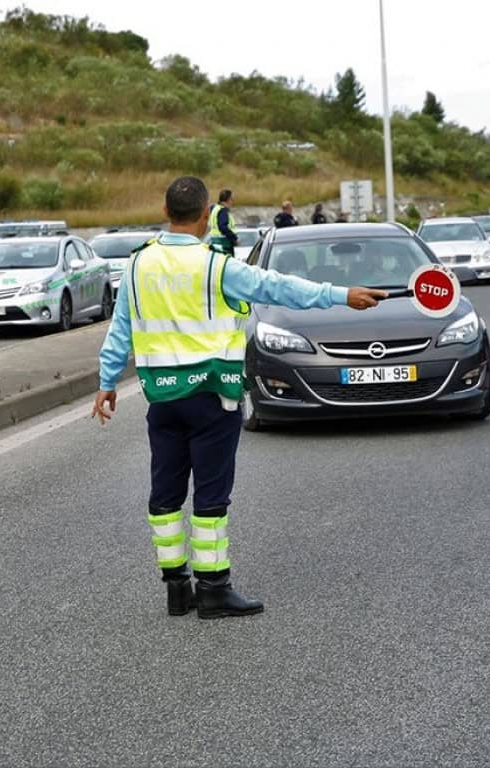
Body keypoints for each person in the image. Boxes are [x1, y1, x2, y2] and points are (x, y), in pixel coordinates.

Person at [92, 176, 386, 619]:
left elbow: (121, 330)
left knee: (165, 492)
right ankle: (213, 589)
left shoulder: (136, 265)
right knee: (210, 496)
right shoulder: (218, 266)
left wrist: (107, 382)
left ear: (166, 211)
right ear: (207, 213)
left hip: (162, 399)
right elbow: (279, 287)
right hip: (212, 396)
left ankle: (176, 588)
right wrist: (343, 295)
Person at [206, 189, 240, 256]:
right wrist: (234, 238)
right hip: (224, 244)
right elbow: (223, 227)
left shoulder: (215, 208)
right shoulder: (222, 210)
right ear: (228, 200)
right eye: (232, 199)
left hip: (216, 243)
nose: (232, 202)